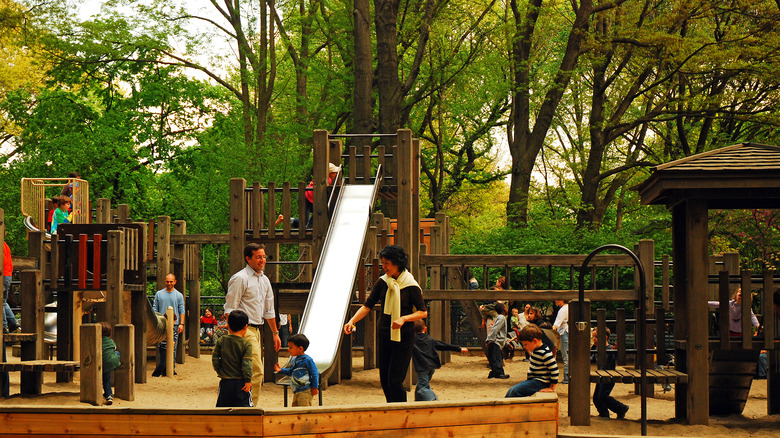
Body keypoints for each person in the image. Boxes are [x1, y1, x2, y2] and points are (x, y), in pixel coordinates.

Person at [344, 245, 427, 402]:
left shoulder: (410, 285)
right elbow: (367, 305)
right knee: (384, 380)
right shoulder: (382, 282)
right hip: (385, 334)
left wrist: (404, 318)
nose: (384, 267)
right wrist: (351, 321)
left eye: (387, 263)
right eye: (383, 263)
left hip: (404, 337)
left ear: (397, 263)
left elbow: (423, 312)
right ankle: (391, 409)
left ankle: (400, 411)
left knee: (395, 380)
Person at [225, 243, 282, 407]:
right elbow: (230, 309)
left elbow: (269, 310)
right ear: (248, 258)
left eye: (264, 256)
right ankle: (250, 408)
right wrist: (233, 336)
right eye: (258, 257)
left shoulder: (265, 280)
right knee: (256, 370)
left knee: (245, 370)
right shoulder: (240, 278)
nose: (262, 260)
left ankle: (242, 405)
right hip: (243, 329)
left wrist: (275, 333)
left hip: (257, 330)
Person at [412, 319, 468, 401]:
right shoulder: (430, 340)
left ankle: (435, 402)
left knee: (423, 387)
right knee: (421, 385)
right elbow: (444, 345)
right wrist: (458, 349)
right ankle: (418, 403)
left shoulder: (412, 341)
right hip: (432, 366)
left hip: (422, 367)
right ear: (425, 329)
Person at [212, 309, 253, 407]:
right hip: (241, 382)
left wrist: (220, 371)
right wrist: (248, 380)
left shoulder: (222, 340)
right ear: (245, 327)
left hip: (225, 381)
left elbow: (215, 358)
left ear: (228, 326)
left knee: (223, 408)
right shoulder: (246, 344)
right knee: (244, 409)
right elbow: (247, 364)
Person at [506, 324, 559, 398]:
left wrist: (552, 387)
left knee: (514, 391)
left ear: (534, 341)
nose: (524, 347)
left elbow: (555, 370)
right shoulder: (536, 350)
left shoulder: (545, 353)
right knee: (512, 391)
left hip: (541, 382)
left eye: (525, 344)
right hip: (534, 380)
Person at [152, 273, 185, 376]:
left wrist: (181, 324)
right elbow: (154, 309)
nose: (169, 283)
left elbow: (181, 310)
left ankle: (171, 368)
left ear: (175, 282)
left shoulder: (179, 295)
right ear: (165, 281)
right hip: (162, 324)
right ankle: (162, 367)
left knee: (173, 347)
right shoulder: (159, 294)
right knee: (162, 347)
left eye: (171, 281)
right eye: (167, 281)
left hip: (174, 324)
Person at [591, 327, 629, 418]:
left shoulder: (610, 348)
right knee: (596, 398)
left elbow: (615, 357)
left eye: (595, 337)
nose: (594, 339)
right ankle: (604, 414)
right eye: (593, 337)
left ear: (605, 337)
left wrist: (616, 351)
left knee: (603, 396)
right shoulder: (597, 348)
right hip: (600, 376)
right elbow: (592, 359)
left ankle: (621, 408)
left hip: (609, 377)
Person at [274, 333, 319, 407]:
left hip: (305, 390)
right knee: (295, 409)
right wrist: (281, 370)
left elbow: (314, 373)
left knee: (304, 410)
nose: (288, 349)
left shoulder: (307, 360)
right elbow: (291, 371)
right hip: (296, 390)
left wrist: (315, 387)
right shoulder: (294, 359)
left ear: (300, 348)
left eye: (291, 347)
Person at [302, 163, 341, 228]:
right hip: (306, 198)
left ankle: (305, 226)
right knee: (309, 217)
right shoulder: (328, 179)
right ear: (329, 173)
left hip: (308, 197)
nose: (335, 174)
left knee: (317, 212)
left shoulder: (321, 177)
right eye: (334, 173)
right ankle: (307, 228)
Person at [486, 302, 509, 379]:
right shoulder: (501, 318)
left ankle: (493, 372)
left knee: (495, 357)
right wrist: (490, 340)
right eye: (505, 307)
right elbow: (495, 329)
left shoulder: (500, 317)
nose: (507, 308)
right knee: (498, 358)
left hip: (497, 341)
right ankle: (499, 373)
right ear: (503, 309)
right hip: (496, 341)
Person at [100, 322, 121, 406]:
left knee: (105, 379)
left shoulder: (97, 340)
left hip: (100, 362)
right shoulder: (110, 341)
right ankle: (108, 395)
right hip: (109, 363)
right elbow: (114, 347)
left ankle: (107, 395)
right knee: (117, 353)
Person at [3, 240, 20, 333]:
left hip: (3, 274)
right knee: (3, 302)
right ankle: (13, 322)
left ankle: (4, 326)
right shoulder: (5, 244)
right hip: (8, 274)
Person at [552, 299, 570, 383]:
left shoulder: (562, 310)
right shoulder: (570, 307)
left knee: (566, 355)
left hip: (564, 333)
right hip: (569, 331)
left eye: (558, 299)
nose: (555, 301)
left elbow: (556, 325)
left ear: (562, 300)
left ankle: (567, 377)